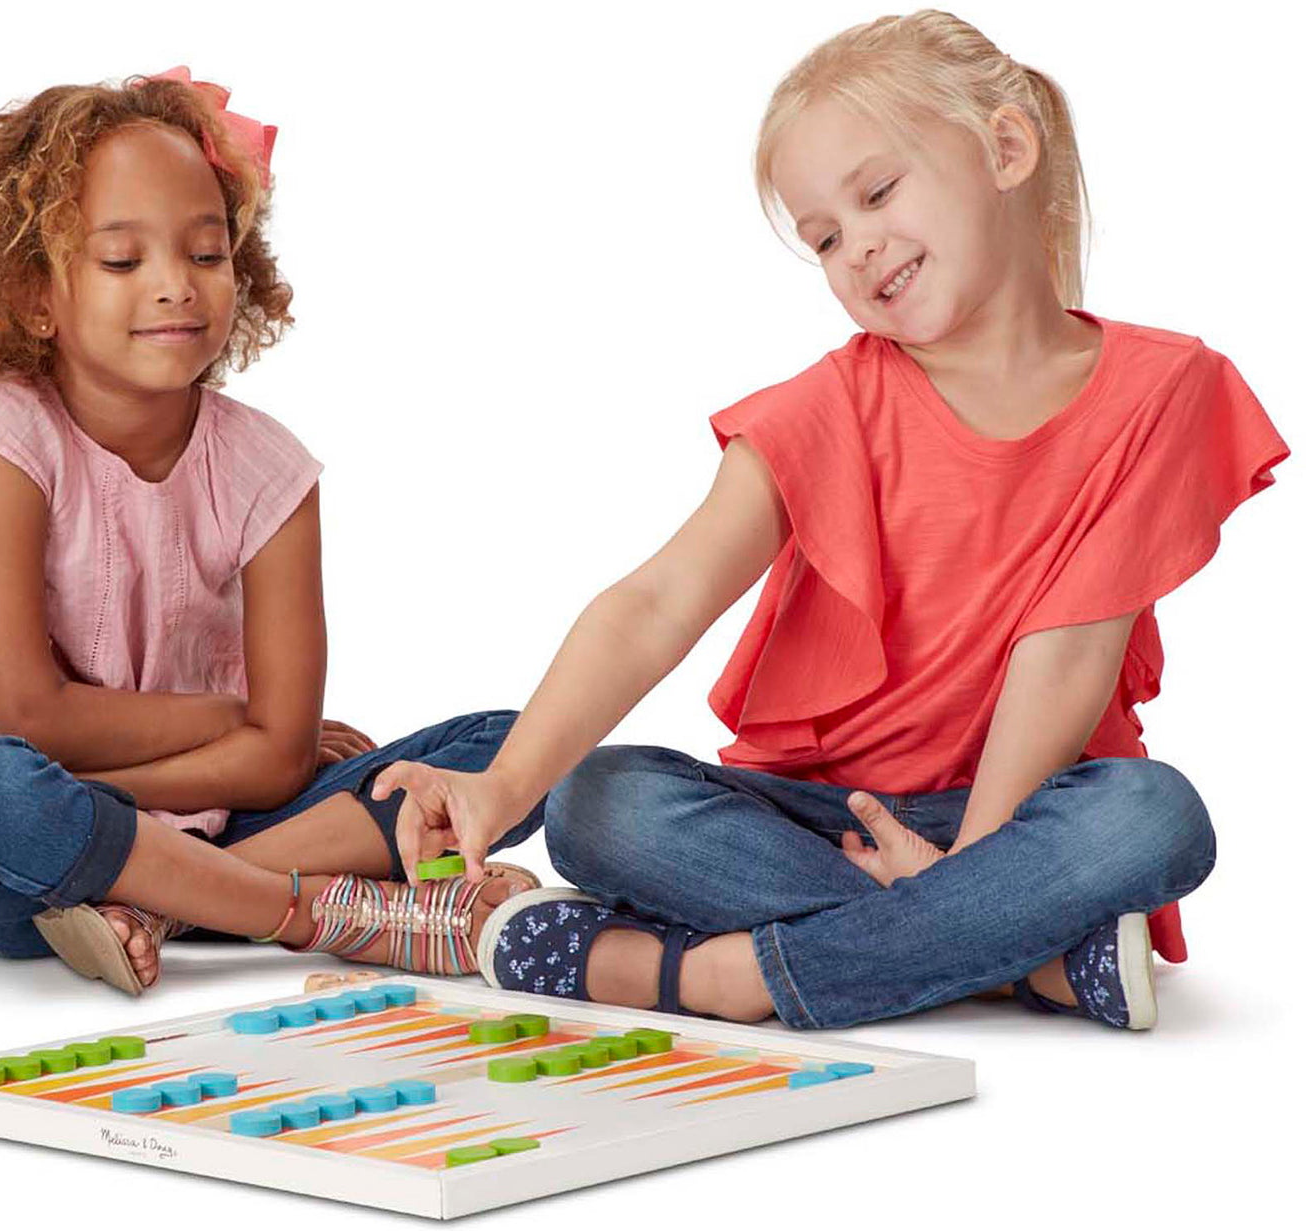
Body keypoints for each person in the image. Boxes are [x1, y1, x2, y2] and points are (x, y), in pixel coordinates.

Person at [368, 11, 1291, 1031]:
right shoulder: (826, 406)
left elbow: (1065, 653)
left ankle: (708, 977)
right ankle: (1012, 958)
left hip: (1021, 813)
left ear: (1004, 148)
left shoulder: (1162, 389)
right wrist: (502, 789)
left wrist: (975, 863)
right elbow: (655, 600)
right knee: (595, 802)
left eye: (877, 193)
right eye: (822, 238)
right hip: (815, 820)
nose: (856, 248)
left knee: (1152, 813)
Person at [0, 66, 543, 995]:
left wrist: (262, 748)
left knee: (518, 747)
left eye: (206, 253)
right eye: (122, 261)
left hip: (214, 821)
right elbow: (33, 718)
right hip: (28, 869)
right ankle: (307, 909)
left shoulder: (270, 471)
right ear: (34, 295)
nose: (174, 288)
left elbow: (276, 762)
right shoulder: (1, 439)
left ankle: (159, 902)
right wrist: (240, 720)